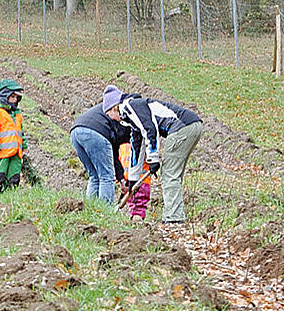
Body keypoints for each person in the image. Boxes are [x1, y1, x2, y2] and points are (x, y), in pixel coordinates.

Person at [118, 92, 204, 224]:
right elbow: (137, 146)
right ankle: (176, 215)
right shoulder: (134, 116)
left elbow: (150, 130)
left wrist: (153, 159)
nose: (112, 119)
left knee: (169, 173)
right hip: (193, 126)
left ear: (114, 108)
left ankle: (173, 219)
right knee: (174, 173)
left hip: (182, 128)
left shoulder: (130, 106)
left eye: (109, 114)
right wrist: (132, 179)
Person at [70, 86, 133, 209]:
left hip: (75, 132)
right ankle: (104, 212)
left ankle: (91, 211)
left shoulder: (107, 107)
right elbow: (113, 150)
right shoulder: (121, 114)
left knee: (94, 175)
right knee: (106, 176)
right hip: (95, 132)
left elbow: (113, 152)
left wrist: (121, 179)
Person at [0, 79, 40, 193]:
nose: (15, 100)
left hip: (15, 152)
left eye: (16, 98)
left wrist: (23, 145)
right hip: (2, 153)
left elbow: (20, 132)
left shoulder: (17, 114)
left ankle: (9, 196)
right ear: (5, 96)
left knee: (14, 177)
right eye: (12, 97)